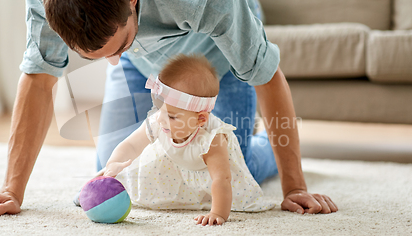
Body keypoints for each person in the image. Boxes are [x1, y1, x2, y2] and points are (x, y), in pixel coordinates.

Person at [0, 0, 337, 218]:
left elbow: (265, 75)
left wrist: (295, 187)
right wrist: (12, 190)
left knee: (229, 174)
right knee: (117, 171)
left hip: (211, 60)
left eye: (116, 47)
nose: (112, 61)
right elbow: (39, 78)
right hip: (146, 64)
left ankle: (264, 151)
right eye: (97, 57)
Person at [78, 54, 276, 226]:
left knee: (254, 166)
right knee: (121, 170)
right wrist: (114, 163)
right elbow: (131, 144)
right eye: (160, 110)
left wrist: (218, 213)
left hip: (205, 173)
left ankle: (268, 142)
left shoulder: (211, 139)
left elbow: (221, 178)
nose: (162, 119)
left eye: (173, 116)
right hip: (176, 167)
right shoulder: (159, 120)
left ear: (201, 118)